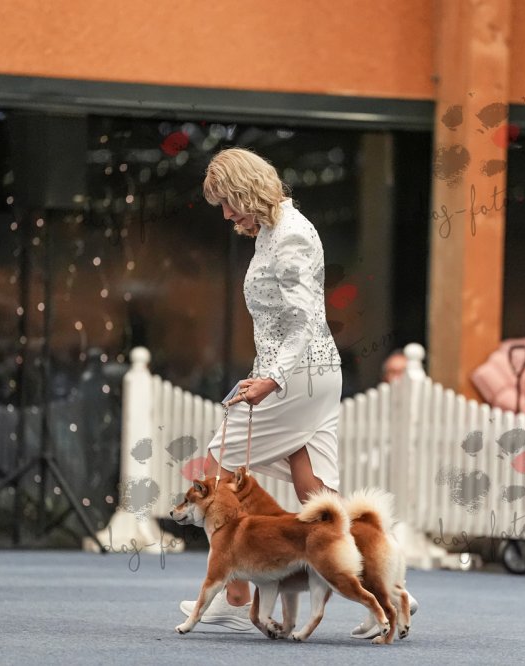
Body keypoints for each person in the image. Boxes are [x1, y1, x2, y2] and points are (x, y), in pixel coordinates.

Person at [177, 147, 344, 631]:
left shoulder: (289, 235)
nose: (227, 215)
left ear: (247, 191)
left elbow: (303, 321)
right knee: (316, 492)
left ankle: (233, 593)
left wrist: (272, 378)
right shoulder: (275, 231)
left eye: (228, 203)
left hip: (294, 377)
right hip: (310, 374)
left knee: (217, 469)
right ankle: (385, 586)